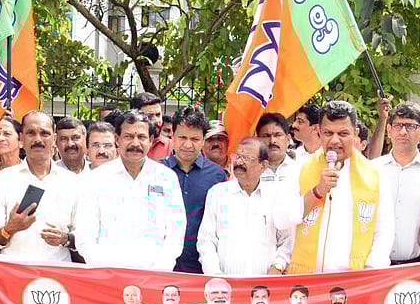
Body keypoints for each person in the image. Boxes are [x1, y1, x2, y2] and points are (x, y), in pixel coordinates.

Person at [276, 100, 395, 273]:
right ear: (319, 132)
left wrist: (369, 272)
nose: (335, 140)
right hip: (307, 282)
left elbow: (384, 233)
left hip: (354, 280)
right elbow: (281, 220)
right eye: (328, 133)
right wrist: (317, 192)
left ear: (355, 134)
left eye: (343, 133)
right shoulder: (299, 169)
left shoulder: (375, 175)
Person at [76, 110, 186, 270]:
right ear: (117, 139)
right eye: (128, 136)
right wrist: (103, 269)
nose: (135, 143)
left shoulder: (166, 178)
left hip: (154, 276)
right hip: (108, 276)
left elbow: (176, 230)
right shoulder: (96, 179)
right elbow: (85, 234)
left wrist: (160, 269)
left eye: (141, 137)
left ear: (151, 140)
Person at [0, 110, 80, 262]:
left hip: (58, 276)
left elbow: (84, 236)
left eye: (44, 133)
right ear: (22, 138)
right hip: (14, 274)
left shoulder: (72, 182)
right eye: (31, 133)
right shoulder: (5, 179)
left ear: (54, 139)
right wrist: (9, 229)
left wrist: (65, 238)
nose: (38, 139)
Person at [198, 138, 292, 275]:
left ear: (263, 165)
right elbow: (206, 240)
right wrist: (215, 274)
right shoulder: (217, 193)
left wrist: (278, 266)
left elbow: (287, 239)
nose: (239, 162)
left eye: (247, 158)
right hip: (225, 286)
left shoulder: (277, 196)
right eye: (238, 156)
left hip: (264, 288)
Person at [370, 101, 420, 266]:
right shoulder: (372, 170)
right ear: (389, 130)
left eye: (410, 126)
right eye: (398, 126)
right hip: (374, 266)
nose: (403, 132)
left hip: (417, 267)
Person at [162, 106, 226, 273]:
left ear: (203, 140)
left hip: (202, 264)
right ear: (172, 136)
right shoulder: (156, 172)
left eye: (195, 139)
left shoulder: (217, 175)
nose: (188, 145)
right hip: (161, 263)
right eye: (182, 137)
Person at [257, 113, 299, 183]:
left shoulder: (300, 169)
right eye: (266, 136)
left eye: (277, 135)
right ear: (258, 141)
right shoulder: (249, 172)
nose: (272, 141)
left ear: (288, 139)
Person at [131, 92, 171, 160]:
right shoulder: (124, 146)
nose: (156, 120)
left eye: (158, 115)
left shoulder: (172, 147)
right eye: (149, 116)